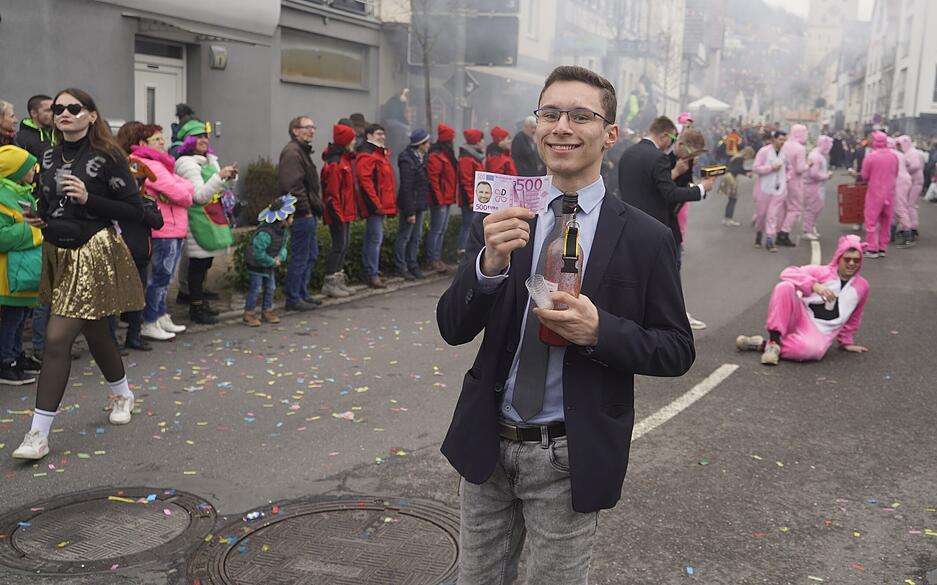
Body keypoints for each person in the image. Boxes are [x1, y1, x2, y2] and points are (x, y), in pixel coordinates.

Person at [436, 65, 695, 584]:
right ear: (536, 126)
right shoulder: (509, 215)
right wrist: (488, 266)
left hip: (568, 454)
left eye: (581, 115)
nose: (561, 127)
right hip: (487, 443)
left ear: (610, 134)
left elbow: (675, 349)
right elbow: (453, 326)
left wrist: (602, 332)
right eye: (550, 113)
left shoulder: (646, 238)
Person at [12, 88, 145, 460]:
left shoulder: (109, 155)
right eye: (58, 109)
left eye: (74, 108)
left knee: (56, 339)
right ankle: (122, 393)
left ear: (90, 115)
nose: (65, 113)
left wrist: (90, 199)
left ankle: (37, 434)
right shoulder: (50, 154)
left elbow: (134, 210)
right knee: (98, 333)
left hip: (93, 252)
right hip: (58, 249)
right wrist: (39, 214)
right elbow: (46, 199)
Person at [737, 235, 869, 365]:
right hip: (799, 316)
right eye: (847, 259)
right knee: (784, 287)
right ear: (839, 258)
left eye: (856, 260)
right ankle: (773, 341)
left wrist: (846, 342)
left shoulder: (862, 287)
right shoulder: (821, 272)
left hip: (820, 332)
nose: (851, 263)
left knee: (810, 351)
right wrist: (814, 285)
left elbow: (854, 316)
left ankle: (762, 344)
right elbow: (787, 273)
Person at [616, 115, 716, 267]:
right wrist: (701, 188)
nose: (672, 143)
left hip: (628, 227)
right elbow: (670, 193)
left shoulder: (628, 153)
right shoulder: (659, 158)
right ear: (664, 136)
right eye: (672, 138)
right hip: (653, 228)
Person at [127, 124, 193, 341]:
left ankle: (161, 314)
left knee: (166, 277)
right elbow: (180, 193)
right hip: (164, 229)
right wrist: (182, 192)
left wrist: (181, 190)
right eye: (156, 139)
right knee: (159, 276)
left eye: (162, 138)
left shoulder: (162, 164)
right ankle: (150, 320)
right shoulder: (146, 163)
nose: (162, 142)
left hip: (173, 227)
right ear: (143, 144)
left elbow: (185, 186)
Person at [174, 119, 237, 324]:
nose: (203, 140)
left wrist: (229, 177)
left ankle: (198, 296)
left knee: (206, 261)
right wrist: (219, 176)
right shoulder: (186, 163)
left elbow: (216, 186)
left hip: (212, 215)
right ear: (188, 140)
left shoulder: (209, 159)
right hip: (197, 217)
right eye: (198, 136)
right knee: (198, 264)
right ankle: (196, 306)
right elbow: (199, 196)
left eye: (205, 136)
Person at [114, 122, 165, 352]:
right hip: (120, 256)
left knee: (137, 298)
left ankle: (134, 336)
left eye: (139, 181)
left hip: (142, 257)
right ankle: (111, 342)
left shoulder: (147, 201)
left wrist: (140, 207)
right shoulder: (116, 202)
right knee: (116, 300)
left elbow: (157, 221)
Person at [0, 145, 43, 385]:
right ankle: (6, 362)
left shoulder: (22, 193)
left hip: (23, 270)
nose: (34, 171)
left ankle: (16, 354)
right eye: (29, 167)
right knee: (13, 317)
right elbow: (2, 236)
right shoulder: (2, 197)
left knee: (20, 315)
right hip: (7, 273)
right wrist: (33, 228)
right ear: (15, 170)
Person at [278, 116, 324, 311]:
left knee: (310, 255)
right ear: (295, 130)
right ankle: (293, 297)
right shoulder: (292, 153)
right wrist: (304, 210)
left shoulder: (301, 151)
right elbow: (293, 186)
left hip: (308, 212)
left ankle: (302, 293)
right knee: (300, 257)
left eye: (313, 127)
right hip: (300, 214)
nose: (311, 130)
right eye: (307, 127)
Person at [243, 195, 295, 327]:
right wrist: (272, 261)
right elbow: (258, 253)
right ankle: (249, 313)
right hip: (256, 264)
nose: (292, 220)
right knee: (256, 288)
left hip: (269, 262)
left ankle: (267, 310)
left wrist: (280, 257)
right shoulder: (265, 233)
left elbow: (283, 247)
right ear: (283, 219)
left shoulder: (283, 232)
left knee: (271, 287)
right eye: (291, 217)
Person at [355, 123, 397, 289]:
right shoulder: (368, 155)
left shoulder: (379, 154)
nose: (382, 137)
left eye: (383, 134)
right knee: (374, 239)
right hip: (375, 205)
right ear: (369, 136)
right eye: (379, 134)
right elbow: (366, 182)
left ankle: (372, 271)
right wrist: (376, 204)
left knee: (373, 239)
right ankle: (371, 273)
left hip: (380, 204)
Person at [319, 123, 358, 297]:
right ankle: (330, 281)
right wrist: (338, 216)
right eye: (353, 139)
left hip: (345, 212)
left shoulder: (345, 160)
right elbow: (332, 194)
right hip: (337, 213)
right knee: (338, 246)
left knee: (343, 246)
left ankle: (338, 279)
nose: (355, 142)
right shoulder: (335, 164)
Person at [393, 128, 430, 281]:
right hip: (410, 205)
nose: (429, 146)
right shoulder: (406, 159)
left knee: (416, 237)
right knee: (405, 236)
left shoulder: (421, 157)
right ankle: (401, 267)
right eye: (426, 143)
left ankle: (412, 265)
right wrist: (410, 212)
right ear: (419, 144)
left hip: (419, 203)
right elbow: (406, 188)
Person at [858, 131, 897, 259]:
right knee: (886, 220)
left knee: (871, 220)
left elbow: (864, 176)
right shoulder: (893, 156)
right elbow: (896, 173)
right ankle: (882, 247)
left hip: (875, 192)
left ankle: (871, 247)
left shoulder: (871, 157)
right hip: (890, 193)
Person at [426, 124, 458, 274]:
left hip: (447, 198)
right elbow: (434, 180)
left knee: (442, 230)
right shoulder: (437, 155)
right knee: (436, 230)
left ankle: (438, 258)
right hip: (440, 200)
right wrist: (439, 199)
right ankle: (433, 258)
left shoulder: (445, 154)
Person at [752, 130, 788, 251]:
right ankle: (758, 234)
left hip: (779, 189)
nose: (782, 142)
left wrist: (786, 179)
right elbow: (756, 168)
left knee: (772, 215)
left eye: (784, 140)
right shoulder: (764, 152)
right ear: (774, 139)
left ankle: (769, 240)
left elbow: (790, 169)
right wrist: (770, 168)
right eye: (780, 139)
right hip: (764, 188)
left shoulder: (785, 153)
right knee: (761, 214)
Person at [777, 124, 809, 246]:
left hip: (782, 179)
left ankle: (778, 230)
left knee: (783, 207)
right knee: (795, 208)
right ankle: (784, 233)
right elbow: (800, 169)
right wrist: (808, 165)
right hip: (795, 182)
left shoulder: (784, 145)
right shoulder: (800, 149)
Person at [457, 128, 485, 256]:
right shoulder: (467, 158)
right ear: (476, 141)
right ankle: (463, 251)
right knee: (467, 225)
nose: (483, 142)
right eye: (481, 140)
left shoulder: (474, 156)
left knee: (471, 225)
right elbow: (466, 180)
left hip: (476, 197)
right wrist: (471, 199)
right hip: (471, 199)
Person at [801, 135, 833, 241]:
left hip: (816, 186)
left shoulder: (818, 155)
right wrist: (826, 176)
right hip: (812, 186)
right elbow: (813, 174)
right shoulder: (816, 156)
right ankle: (807, 230)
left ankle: (810, 227)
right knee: (812, 208)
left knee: (816, 208)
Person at [895, 135, 924, 248]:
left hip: (915, 182)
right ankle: (910, 227)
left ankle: (912, 228)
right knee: (910, 205)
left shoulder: (912, 153)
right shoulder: (913, 152)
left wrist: (904, 170)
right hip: (915, 181)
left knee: (910, 206)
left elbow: (915, 166)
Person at [719, 145, 754, 226]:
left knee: (731, 199)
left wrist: (748, 171)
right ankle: (729, 219)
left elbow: (737, 169)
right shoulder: (740, 159)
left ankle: (726, 218)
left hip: (728, 176)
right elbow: (738, 170)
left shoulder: (736, 157)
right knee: (733, 199)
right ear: (748, 154)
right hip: (731, 178)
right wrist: (747, 173)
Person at [14, 95, 55, 160]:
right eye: (48, 110)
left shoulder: (61, 134)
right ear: (34, 113)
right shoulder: (20, 139)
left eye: (54, 109)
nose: (54, 113)